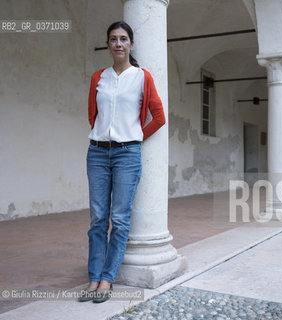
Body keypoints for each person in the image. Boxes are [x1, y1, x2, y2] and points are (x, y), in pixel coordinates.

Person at [78, 21, 165, 303]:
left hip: (128, 154)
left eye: (124, 39)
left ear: (131, 44)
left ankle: (107, 279)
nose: (118, 44)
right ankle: (93, 277)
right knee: (98, 219)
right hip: (98, 153)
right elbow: (94, 115)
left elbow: (159, 117)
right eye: (113, 39)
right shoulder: (98, 78)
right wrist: (105, 136)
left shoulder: (142, 77)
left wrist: (136, 136)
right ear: (108, 44)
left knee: (120, 218)